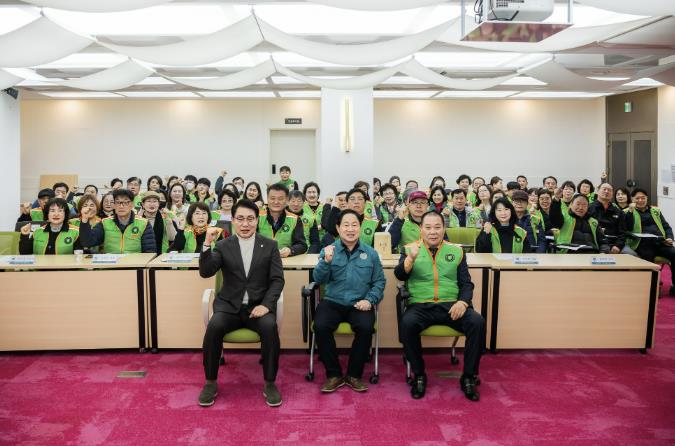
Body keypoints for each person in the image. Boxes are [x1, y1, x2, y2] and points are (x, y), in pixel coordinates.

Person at [198, 199, 284, 407]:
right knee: (214, 327)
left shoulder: (270, 245)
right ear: (233, 220)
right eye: (241, 219)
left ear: (257, 220)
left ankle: (270, 383)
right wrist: (207, 243)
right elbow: (206, 272)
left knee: (270, 328)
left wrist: (266, 305)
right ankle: (210, 382)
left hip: (258, 307)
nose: (245, 224)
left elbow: (277, 280)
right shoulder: (223, 245)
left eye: (250, 219)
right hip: (229, 307)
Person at [395, 211, 485, 401]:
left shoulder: (456, 251)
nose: (433, 232)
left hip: (451, 305)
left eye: (437, 227)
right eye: (428, 227)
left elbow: (466, 284)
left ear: (444, 229)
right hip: (421, 305)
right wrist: (410, 259)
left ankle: (469, 376)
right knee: (407, 323)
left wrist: (462, 302)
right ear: (421, 229)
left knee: (477, 322)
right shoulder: (410, 248)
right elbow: (400, 275)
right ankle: (419, 374)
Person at [312, 209, 386, 393]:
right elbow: (318, 279)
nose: (350, 229)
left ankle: (354, 375)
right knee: (320, 325)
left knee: (366, 327)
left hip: (359, 303)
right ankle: (334, 374)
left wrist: (370, 300)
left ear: (360, 227)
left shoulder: (371, 253)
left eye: (354, 225)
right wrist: (326, 262)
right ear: (338, 228)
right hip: (333, 301)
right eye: (346, 225)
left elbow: (379, 282)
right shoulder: (328, 250)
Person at [623, 188, 675, 294]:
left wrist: (670, 237)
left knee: (674, 253)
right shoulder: (626, 212)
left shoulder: (655, 211)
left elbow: (666, 226)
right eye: (637, 198)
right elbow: (627, 228)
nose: (640, 200)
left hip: (660, 242)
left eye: (643, 198)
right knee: (648, 257)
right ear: (632, 199)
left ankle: (674, 285)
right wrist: (630, 211)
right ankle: (653, 286)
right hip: (641, 243)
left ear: (647, 198)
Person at [79, 189, 156, 254]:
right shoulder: (105, 223)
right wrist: (85, 219)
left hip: (134, 265)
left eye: (126, 202)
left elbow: (149, 251)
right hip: (111, 265)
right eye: (118, 202)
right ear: (114, 205)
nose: (121, 206)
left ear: (132, 204)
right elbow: (87, 242)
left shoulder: (143, 223)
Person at [257, 184, 307, 257]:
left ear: (286, 200)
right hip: (261, 259)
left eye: (280, 199)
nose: (276, 202)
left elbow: (302, 245)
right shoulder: (257, 217)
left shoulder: (295, 219)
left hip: (285, 260)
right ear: (267, 199)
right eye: (272, 198)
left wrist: (290, 250)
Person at [588, 182, 635, 255]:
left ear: (612, 194)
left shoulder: (618, 212)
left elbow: (623, 232)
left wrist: (618, 246)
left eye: (609, 190)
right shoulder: (588, 208)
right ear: (597, 191)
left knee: (632, 255)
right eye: (604, 189)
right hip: (595, 242)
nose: (607, 191)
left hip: (614, 243)